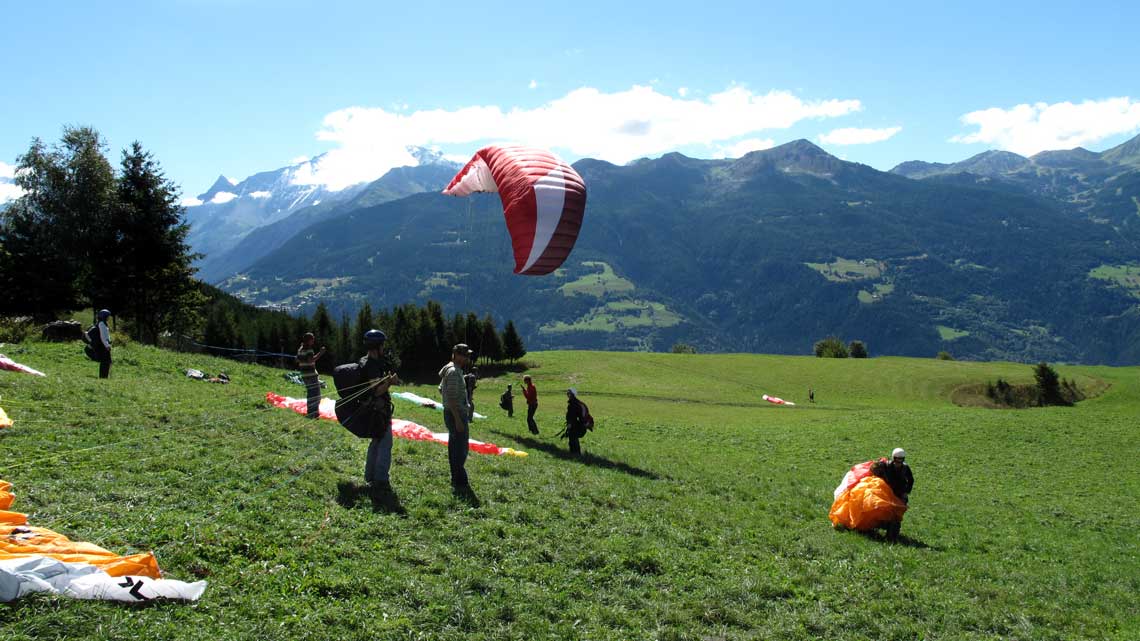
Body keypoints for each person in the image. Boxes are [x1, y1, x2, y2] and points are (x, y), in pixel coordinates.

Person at [359, 329, 401, 497]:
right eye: (382, 344)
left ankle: (370, 477)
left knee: (376, 443)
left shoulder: (365, 361)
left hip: (374, 409)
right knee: (385, 444)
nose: (384, 347)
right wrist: (390, 382)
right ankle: (380, 480)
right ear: (377, 346)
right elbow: (376, 391)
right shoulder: (371, 365)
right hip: (378, 409)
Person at [439, 344, 475, 497]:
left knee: (455, 446)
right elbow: (452, 398)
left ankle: (456, 478)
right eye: (465, 355)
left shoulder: (449, 368)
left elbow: (441, 388)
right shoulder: (454, 372)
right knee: (460, 448)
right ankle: (460, 480)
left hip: (453, 413)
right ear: (457, 355)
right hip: (456, 414)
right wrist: (458, 419)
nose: (467, 358)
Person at [871, 447, 914, 540]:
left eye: (901, 460)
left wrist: (906, 492)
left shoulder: (906, 468)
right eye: (897, 460)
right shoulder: (885, 466)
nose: (899, 462)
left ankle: (892, 535)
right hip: (887, 494)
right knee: (884, 512)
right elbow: (874, 473)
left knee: (896, 515)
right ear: (893, 458)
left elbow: (911, 480)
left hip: (900, 495)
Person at [296, 333, 327, 419]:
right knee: (316, 394)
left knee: (310, 393)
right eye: (312, 339)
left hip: (304, 375)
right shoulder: (309, 350)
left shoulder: (300, 349)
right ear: (309, 340)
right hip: (311, 375)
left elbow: (297, 359)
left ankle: (310, 411)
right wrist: (321, 353)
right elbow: (311, 360)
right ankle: (314, 414)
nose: (313, 340)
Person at [562, 388, 590, 457]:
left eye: (569, 393)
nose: (568, 394)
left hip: (578, 426)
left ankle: (576, 453)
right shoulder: (574, 402)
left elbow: (572, 416)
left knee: (573, 437)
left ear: (573, 394)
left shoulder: (574, 404)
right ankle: (574, 453)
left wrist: (570, 424)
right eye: (567, 393)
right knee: (572, 438)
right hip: (577, 425)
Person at [90, 309, 113, 379]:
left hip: (103, 345)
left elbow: (106, 335)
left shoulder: (103, 323)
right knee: (105, 361)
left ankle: (104, 377)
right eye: (107, 316)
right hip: (103, 346)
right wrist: (107, 345)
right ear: (104, 316)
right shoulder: (102, 324)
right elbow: (103, 336)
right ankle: (103, 377)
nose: (108, 318)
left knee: (106, 361)